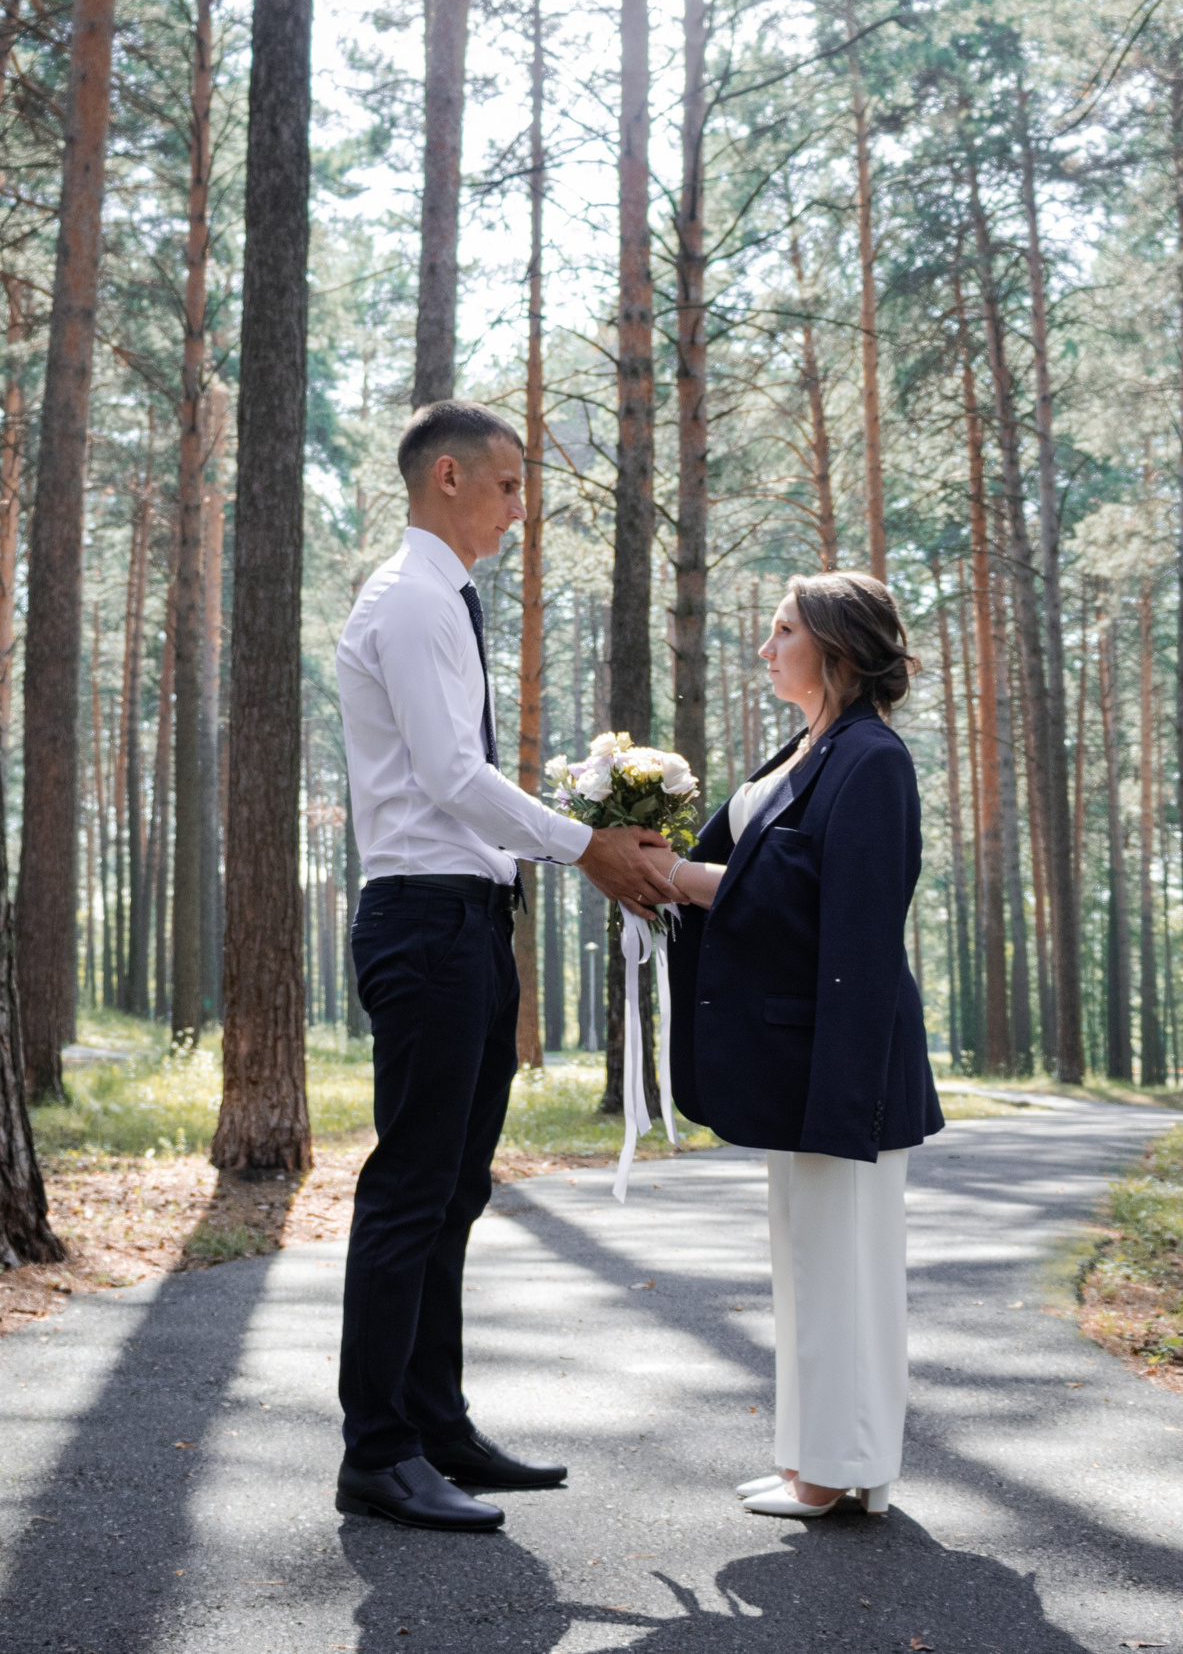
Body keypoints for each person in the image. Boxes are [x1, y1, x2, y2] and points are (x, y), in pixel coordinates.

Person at [333, 400, 679, 1533]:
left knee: (457, 1187)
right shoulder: (412, 600)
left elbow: (466, 784)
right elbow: (447, 775)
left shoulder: (444, 599)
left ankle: (435, 1428)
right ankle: (377, 1454)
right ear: (447, 478)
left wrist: (565, 837)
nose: (523, 507)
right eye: (511, 483)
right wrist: (583, 843)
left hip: (471, 919)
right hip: (426, 923)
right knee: (411, 1188)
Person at [650, 570, 944, 1519]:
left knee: (846, 1268)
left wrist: (687, 881)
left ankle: (837, 1470)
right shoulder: (809, 750)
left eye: (784, 631)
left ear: (839, 649)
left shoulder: (873, 761)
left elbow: (845, 927)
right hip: (800, 1055)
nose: (767, 647)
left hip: (845, 1060)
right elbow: (764, 879)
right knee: (809, 1263)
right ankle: (813, 1459)